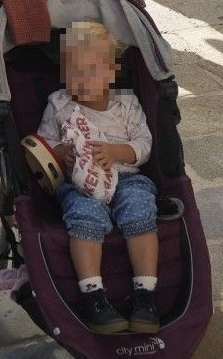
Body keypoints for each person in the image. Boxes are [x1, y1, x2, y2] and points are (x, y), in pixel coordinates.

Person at [36, 21, 161, 335]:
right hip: (81, 182)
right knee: (84, 214)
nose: (81, 79)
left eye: (91, 71)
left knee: (140, 207)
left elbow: (144, 144)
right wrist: (62, 154)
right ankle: (93, 297)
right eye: (73, 71)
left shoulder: (126, 104)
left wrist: (119, 152)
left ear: (111, 72)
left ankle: (146, 295)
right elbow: (43, 145)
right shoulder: (60, 104)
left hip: (126, 176)